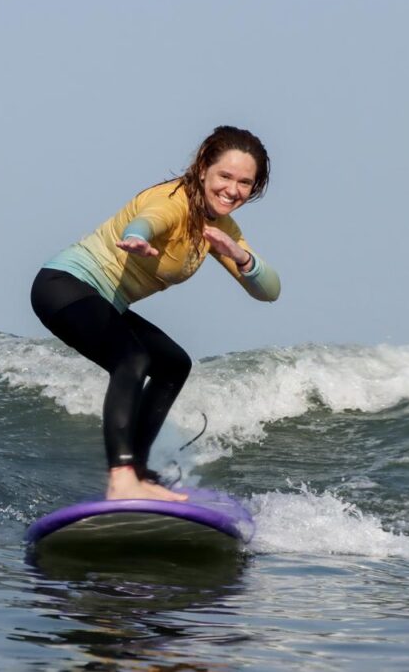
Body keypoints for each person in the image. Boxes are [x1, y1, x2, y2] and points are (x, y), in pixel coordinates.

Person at [30, 126, 281, 502]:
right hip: (64, 287)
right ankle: (121, 478)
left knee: (173, 364)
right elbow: (149, 219)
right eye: (225, 176)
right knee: (132, 359)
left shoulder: (219, 228)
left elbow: (269, 291)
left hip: (100, 299)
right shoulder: (174, 202)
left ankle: (139, 472)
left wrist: (240, 254)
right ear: (202, 169)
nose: (233, 189)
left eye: (245, 182)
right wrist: (138, 238)